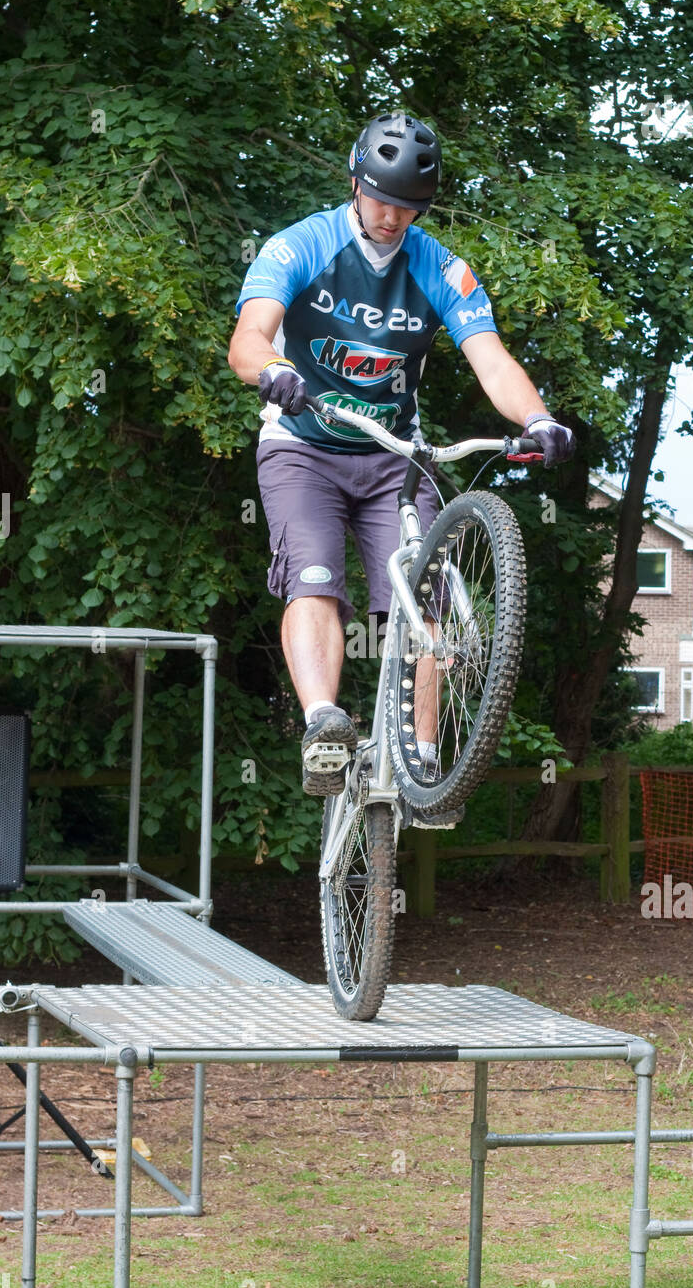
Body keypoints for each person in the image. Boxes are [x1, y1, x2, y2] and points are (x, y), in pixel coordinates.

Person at [228, 112, 574, 796]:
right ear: (355, 182)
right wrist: (271, 368)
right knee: (314, 578)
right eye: (382, 199)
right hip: (304, 446)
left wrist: (537, 416)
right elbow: (248, 337)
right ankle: (325, 725)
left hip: (395, 455)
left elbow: (493, 362)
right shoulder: (301, 245)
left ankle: (422, 760)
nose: (392, 217)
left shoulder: (441, 267)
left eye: (409, 207)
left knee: (422, 601)